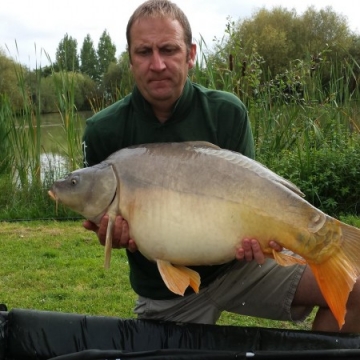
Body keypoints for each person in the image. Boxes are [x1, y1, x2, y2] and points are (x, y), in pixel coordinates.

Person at [82, 0, 360, 333]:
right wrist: (111, 236)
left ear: (190, 54)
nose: (157, 64)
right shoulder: (104, 130)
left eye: (169, 49)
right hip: (167, 291)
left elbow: (256, 196)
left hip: (239, 270)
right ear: (130, 59)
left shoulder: (226, 112)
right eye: (144, 52)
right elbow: (107, 228)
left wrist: (266, 241)